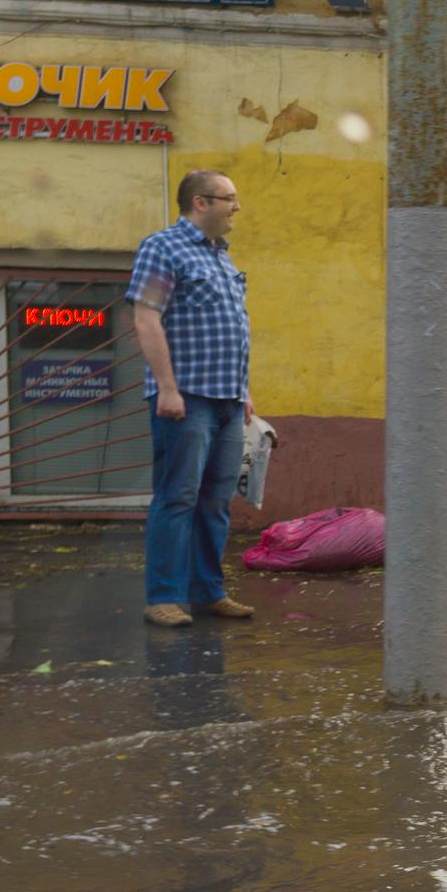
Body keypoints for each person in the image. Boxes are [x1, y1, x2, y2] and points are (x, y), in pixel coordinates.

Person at [129, 170, 256, 629]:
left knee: (215, 502)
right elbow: (146, 319)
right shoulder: (162, 248)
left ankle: (208, 591)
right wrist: (166, 387)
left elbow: (232, 329)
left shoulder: (222, 257)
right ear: (200, 203)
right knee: (177, 497)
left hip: (227, 398)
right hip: (186, 399)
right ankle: (162, 596)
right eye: (230, 198)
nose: (236, 206)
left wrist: (245, 392)